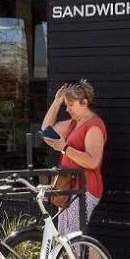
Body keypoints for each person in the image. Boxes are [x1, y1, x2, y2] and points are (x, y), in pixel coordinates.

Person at [41, 78, 107, 238]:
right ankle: (92, 254)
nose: (68, 109)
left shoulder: (94, 125)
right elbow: (46, 132)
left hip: (85, 188)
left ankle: (87, 254)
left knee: (72, 237)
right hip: (68, 187)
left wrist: (64, 148)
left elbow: (93, 161)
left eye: (71, 105)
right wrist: (57, 102)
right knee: (67, 237)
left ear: (84, 103)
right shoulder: (73, 124)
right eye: (66, 105)